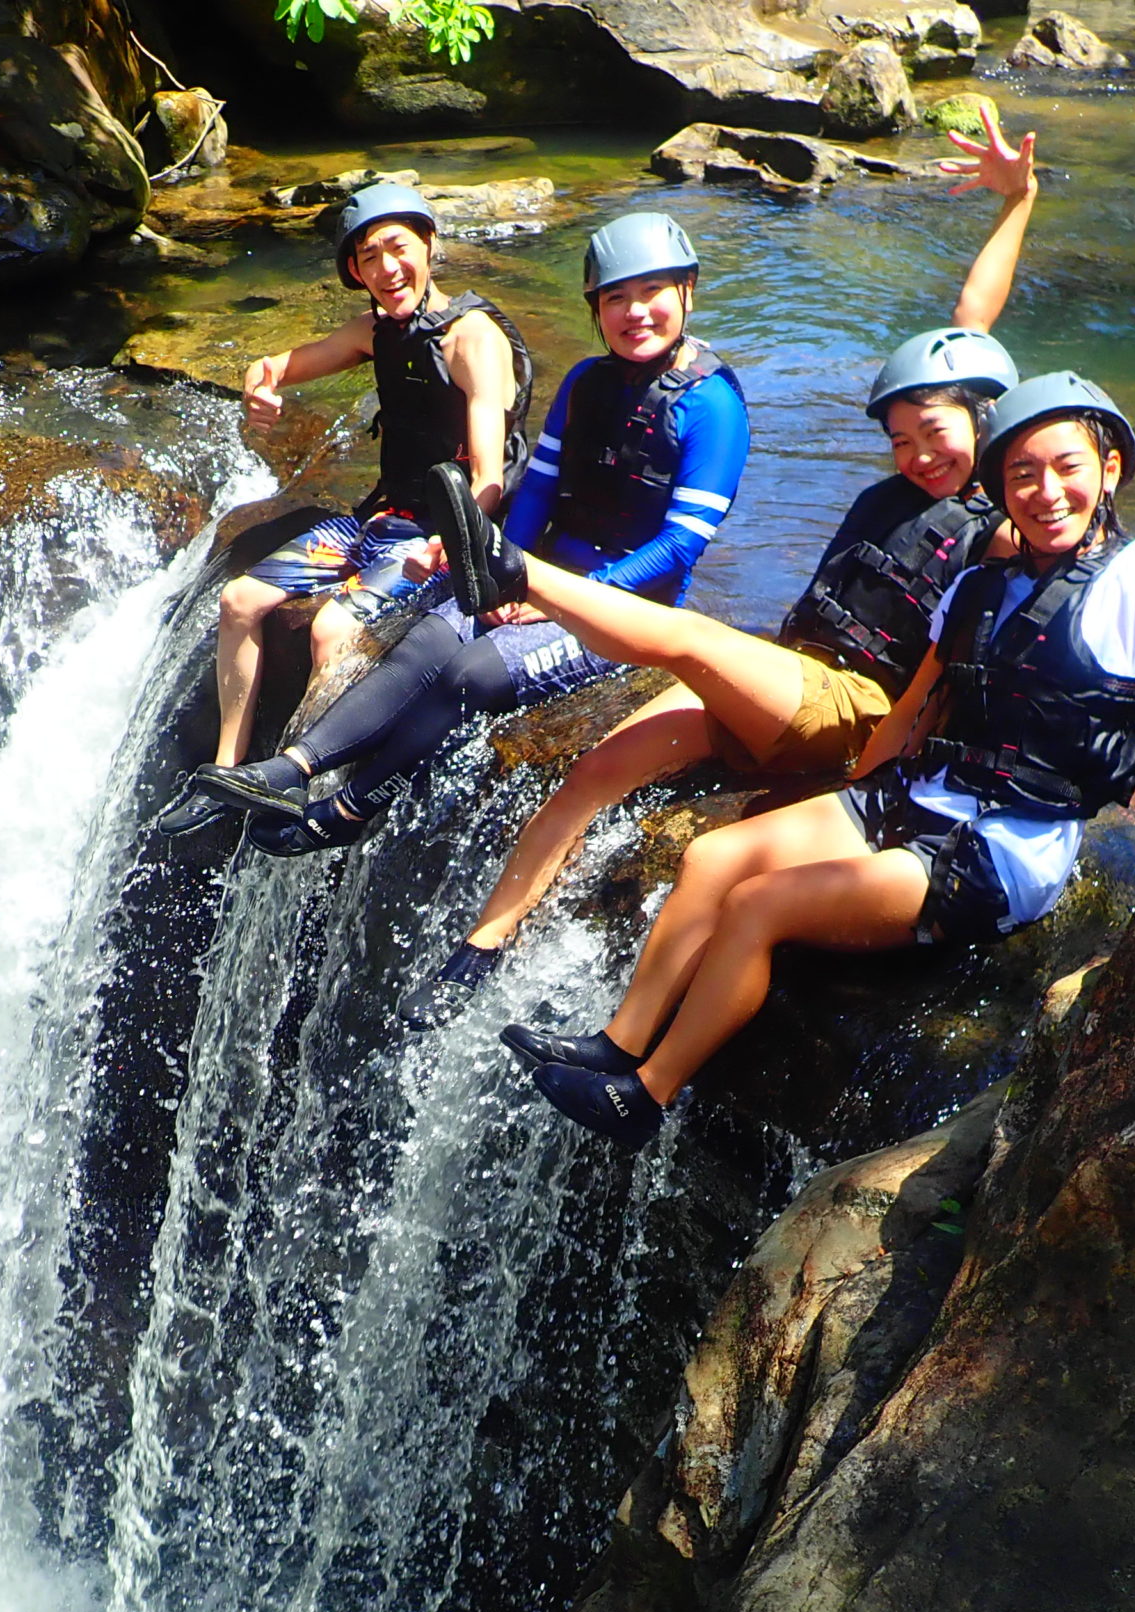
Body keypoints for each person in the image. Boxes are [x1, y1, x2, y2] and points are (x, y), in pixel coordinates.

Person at [420, 175, 1135, 1149]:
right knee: (713, 862)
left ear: (1111, 468)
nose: (1045, 491)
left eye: (1067, 469)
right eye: (1023, 474)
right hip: (913, 794)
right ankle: (617, 1046)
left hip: (1001, 851)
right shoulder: (985, 577)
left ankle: (645, 1097)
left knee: (758, 906)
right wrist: (845, 796)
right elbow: (915, 706)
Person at [407, 102, 1043, 1021]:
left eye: (936, 432)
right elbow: (968, 321)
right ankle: (479, 951)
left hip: (849, 711)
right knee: (595, 773)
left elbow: (964, 661)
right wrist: (1017, 203)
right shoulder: (912, 483)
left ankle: (514, 574)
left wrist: (882, 783)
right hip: (786, 682)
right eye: (901, 439)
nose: (917, 454)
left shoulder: (1004, 524)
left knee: (688, 639)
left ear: (985, 422)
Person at [188, 211, 749, 855]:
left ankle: (345, 810)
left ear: (687, 290)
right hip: (544, 576)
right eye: (616, 298)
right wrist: (507, 570)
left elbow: (681, 546)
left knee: (472, 672)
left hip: (629, 608)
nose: (636, 312)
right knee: (430, 635)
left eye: (652, 292)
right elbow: (535, 492)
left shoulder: (713, 406)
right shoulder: (586, 382)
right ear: (596, 309)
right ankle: (291, 769)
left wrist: (559, 593)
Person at [155, 183, 533, 836]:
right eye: (368, 257)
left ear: (429, 245)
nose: (387, 269)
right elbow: (273, 365)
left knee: (331, 630)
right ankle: (228, 775)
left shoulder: (473, 340)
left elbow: (489, 477)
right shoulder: (374, 330)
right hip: (375, 521)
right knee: (239, 600)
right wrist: (259, 387)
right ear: (355, 271)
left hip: (433, 537)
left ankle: (310, 787)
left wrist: (456, 547)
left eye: (398, 248)